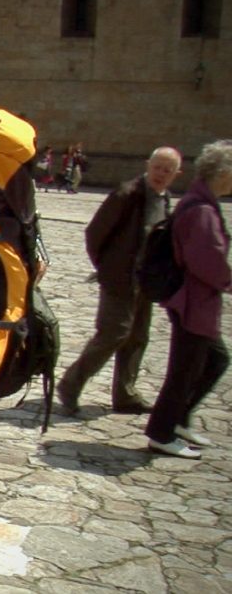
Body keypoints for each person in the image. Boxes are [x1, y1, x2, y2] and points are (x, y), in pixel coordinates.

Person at [57, 147, 182, 415]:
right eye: (157, 167)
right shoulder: (127, 195)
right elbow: (95, 233)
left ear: (176, 174)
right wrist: (107, 268)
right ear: (148, 164)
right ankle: (71, 383)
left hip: (145, 283)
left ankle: (125, 394)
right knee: (113, 334)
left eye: (167, 170)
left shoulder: (165, 199)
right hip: (120, 279)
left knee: (137, 337)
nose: (161, 173)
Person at [145, 140, 232, 459]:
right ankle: (161, 431)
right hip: (192, 302)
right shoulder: (202, 210)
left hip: (198, 303)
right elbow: (207, 259)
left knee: (214, 359)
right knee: (184, 370)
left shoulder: (201, 203)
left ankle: (179, 418)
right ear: (222, 173)